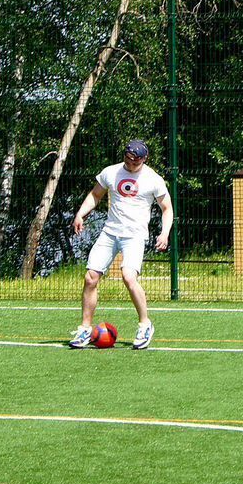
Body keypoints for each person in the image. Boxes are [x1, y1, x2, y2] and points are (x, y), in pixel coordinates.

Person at [68, 139, 173, 350]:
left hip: (134, 236)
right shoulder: (111, 172)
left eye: (136, 162)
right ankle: (85, 329)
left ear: (145, 159)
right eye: (128, 159)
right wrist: (81, 213)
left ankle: (145, 324)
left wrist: (164, 233)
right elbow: (95, 195)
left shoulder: (153, 179)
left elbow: (167, 208)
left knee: (128, 276)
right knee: (91, 277)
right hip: (109, 233)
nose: (131, 164)